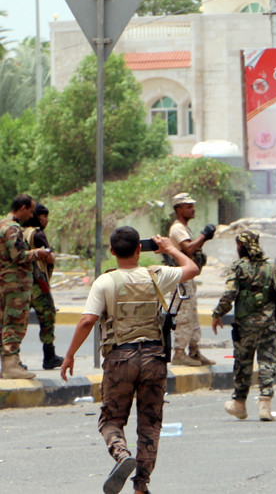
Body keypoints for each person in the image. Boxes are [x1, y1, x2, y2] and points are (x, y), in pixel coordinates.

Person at [60, 227, 199, 494]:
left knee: (111, 420)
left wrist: (69, 355)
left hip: (119, 359)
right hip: (154, 358)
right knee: (149, 423)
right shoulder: (156, 274)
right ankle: (141, 486)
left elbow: (88, 320)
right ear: (139, 249)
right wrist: (170, 248)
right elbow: (191, 268)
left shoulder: (104, 282)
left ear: (112, 252)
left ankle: (123, 456)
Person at [211, 231, 276, 421]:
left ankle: (239, 405)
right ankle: (265, 406)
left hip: (244, 325)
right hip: (268, 324)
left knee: (243, 363)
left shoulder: (238, 268)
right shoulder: (273, 267)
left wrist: (217, 314)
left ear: (241, 247)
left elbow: (229, 294)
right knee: (267, 361)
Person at [1, 194, 52, 380]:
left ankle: (8, 363)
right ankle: (11, 366)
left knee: (4, 324)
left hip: (3, 284)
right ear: (22, 208)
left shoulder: (1, 224)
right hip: (16, 285)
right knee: (14, 324)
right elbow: (18, 256)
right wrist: (38, 253)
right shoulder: (13, 228)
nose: (31, 215)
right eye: (30, 211)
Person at [166, 192, 216, 366]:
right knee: (184, 315)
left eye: (193, 206)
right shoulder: (177, 228)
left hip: (188, 278)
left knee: (192, 314)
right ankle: (179, 353)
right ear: (179, 209)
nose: (193, 209)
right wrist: (204, 236)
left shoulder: (184, 228)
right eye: (188, 207)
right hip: (180, 278)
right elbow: (188, 249)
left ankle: (194, 352)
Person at [22, 203, 62, 370]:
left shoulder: (19, 231)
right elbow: (50, 258)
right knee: (47, 317)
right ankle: (49, 356)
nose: (47, 220)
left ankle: (11, 359)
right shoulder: (37, 234)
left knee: (16, 322)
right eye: (44, 216)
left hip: (19, 284)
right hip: (37, 283)